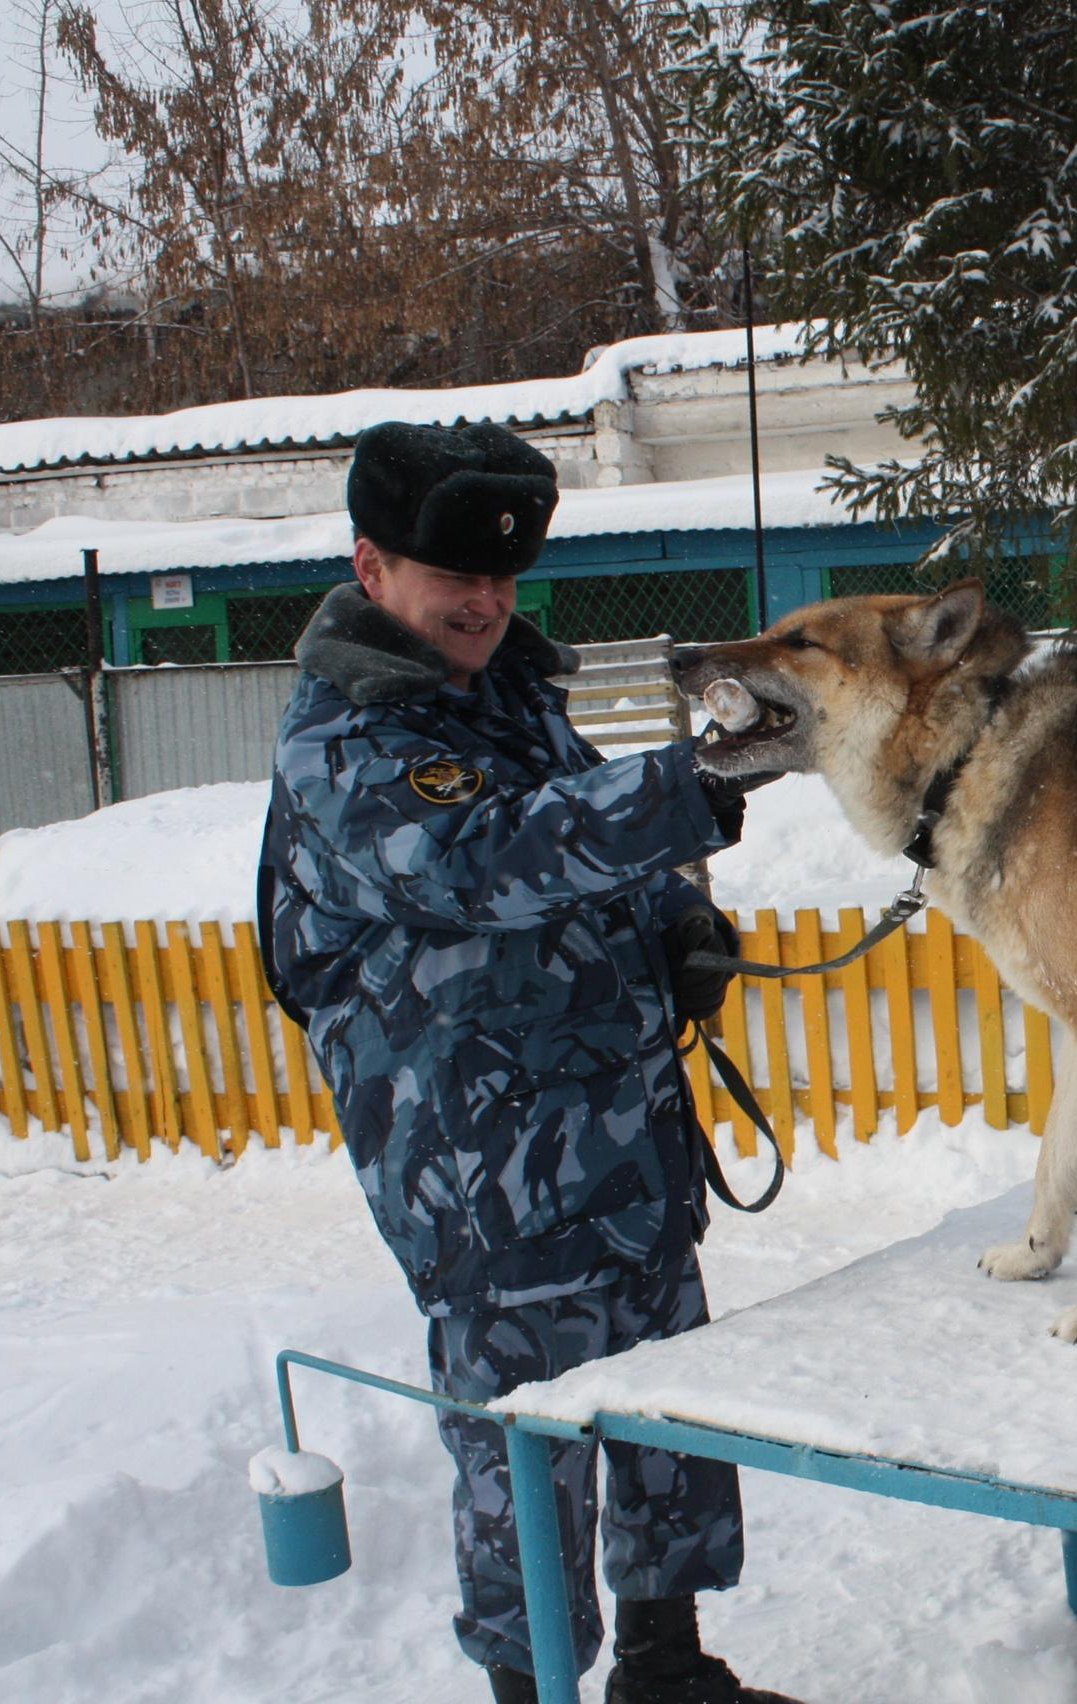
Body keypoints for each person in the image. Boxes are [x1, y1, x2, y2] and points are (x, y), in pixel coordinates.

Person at [257, 420, 798, 1704]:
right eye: (458, 580)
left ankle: (667, 1670)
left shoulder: (511, 702)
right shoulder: (346, 746)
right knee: (523, 1470)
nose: (487, 604)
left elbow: (594, 852)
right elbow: (484, 859)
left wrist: (679, 923)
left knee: (666, 1424)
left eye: (502, 582)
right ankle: (533, 1691)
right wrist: (695, 776)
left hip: (622, 1152)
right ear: (372, 566)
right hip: (486, 1193)